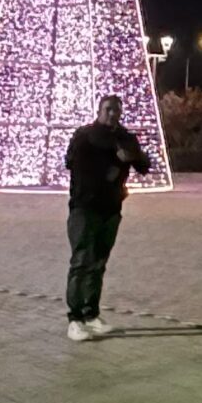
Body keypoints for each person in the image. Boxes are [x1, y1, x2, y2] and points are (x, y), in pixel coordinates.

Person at [63, 95, 151, 342]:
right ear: (99, 110)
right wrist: (112, 166)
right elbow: (73, 164)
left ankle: (91, 314)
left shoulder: (125, 137)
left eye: (117, 110)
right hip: (84, 207)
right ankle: (75, 319)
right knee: (81, 261)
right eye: (108, 109)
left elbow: (145, 166)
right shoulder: (85, 136)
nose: (113, 114)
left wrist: (133, 156)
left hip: (110, 209)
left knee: (98, 263)